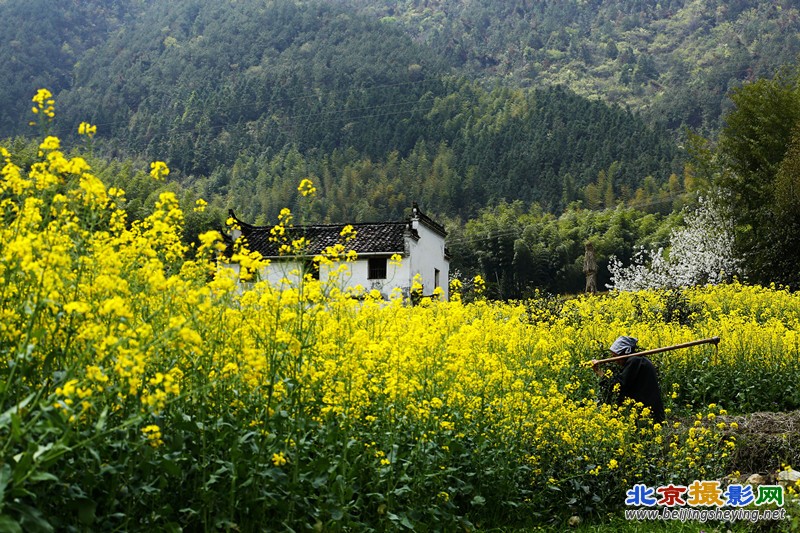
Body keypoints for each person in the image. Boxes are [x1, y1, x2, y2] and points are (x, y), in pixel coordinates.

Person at [591, 336, 666, 423]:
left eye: (615, 356)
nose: (615, 360)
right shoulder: (638, 361)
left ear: (626, 352)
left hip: (647, 415)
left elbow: (620, 386)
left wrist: (600, 373)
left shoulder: (635, 361)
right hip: (646, 413)